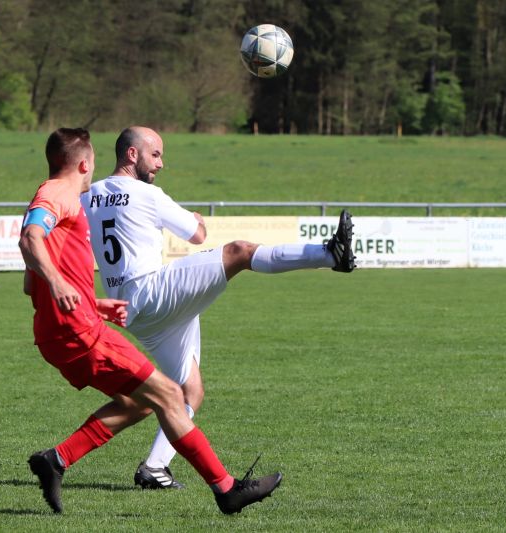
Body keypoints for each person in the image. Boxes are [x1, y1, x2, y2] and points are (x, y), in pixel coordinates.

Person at [19, 127, 282, 515]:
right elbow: (30, 238)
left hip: (57, 332)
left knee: (138, 402)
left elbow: (31, 285)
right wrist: (61, 287)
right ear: (84, 164)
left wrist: (92, 303)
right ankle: (227, 491)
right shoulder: (59, 194)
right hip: (79, 333)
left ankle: (56, 460)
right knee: (173, 395)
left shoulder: (61, 201)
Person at [81, 126, 355, 490]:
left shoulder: (89, 195)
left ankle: (154, 468)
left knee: (190, 390)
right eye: (156, 155)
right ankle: (330, 255)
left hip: (129, 311)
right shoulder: (146, 193)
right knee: (239, 252)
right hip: (153, 291)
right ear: (132, 154)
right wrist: (196, 218)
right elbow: (197, 235)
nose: (161, 164)